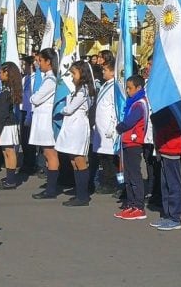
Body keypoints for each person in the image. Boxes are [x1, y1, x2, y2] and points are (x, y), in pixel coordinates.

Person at [54, 62, 95, 206]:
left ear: (82, 74)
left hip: (78, 127)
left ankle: (83, 196)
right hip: (71, 126)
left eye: (74, 73)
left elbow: (70, 108)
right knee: (73, 160)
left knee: (79, 159)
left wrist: (58, 110)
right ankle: (79, 192)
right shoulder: (77, 89)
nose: (72, 76)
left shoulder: (84, 90)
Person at [114, 75, 149, 220]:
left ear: (139, 88)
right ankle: (131, 203)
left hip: (134, 143)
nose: (128, 91)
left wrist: (119, 127)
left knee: (134, 175)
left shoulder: (140, 103)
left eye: (130, 88)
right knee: (127, 175)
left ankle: (139, 206)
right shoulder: (132, 102)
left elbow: (129, 122)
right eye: (127, 88)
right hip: (127, 141)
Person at [148, 103, 181, 231]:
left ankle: (175, 217)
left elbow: (172, 127)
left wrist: (157, 119)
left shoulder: (175, 108)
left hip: (172, 148)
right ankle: (167, 214)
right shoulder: (167, 107)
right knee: (165, 185)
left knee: (173, 184)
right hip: (164, 148)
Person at [31, 48, 61, 200]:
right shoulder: (47, 78)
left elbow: (36, 98)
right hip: (42, 120)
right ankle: (51, 186)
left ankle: (51, 189)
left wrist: (33, 97)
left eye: (40, 60)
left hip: (46, 121)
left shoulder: (51, 80)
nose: (38, 63)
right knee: (47, 153)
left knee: (50, 153)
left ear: (48, 62)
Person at [92, 58, 120, 194]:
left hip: (109, 129)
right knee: (104, 157)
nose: (102, 72)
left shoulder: (115, 87)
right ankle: (108, 181)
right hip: (101, 127)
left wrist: (111, 127)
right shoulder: (105, 85)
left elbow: (115, 108)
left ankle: (113, 183)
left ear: (113, 72)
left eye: (105, 70)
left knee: (111, 158)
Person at [0, 62, 22, 190]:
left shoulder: (6, 92)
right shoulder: (8, 89)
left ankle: (11, 180)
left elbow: (2, 114)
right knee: (6, 151)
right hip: (7, 124)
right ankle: (9, 176)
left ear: (7, 73)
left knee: (9, 152)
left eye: (1, 72)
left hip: (7, 125)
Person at [19, 56, 38, 176]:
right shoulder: (24, 78)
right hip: (22, 110)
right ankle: (26, 163)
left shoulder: (36, 79)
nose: (23, 67)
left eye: (25, 65)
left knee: (29, 141)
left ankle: (31, 164)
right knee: (24, 141)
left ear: (31, 65)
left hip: (30, 112)